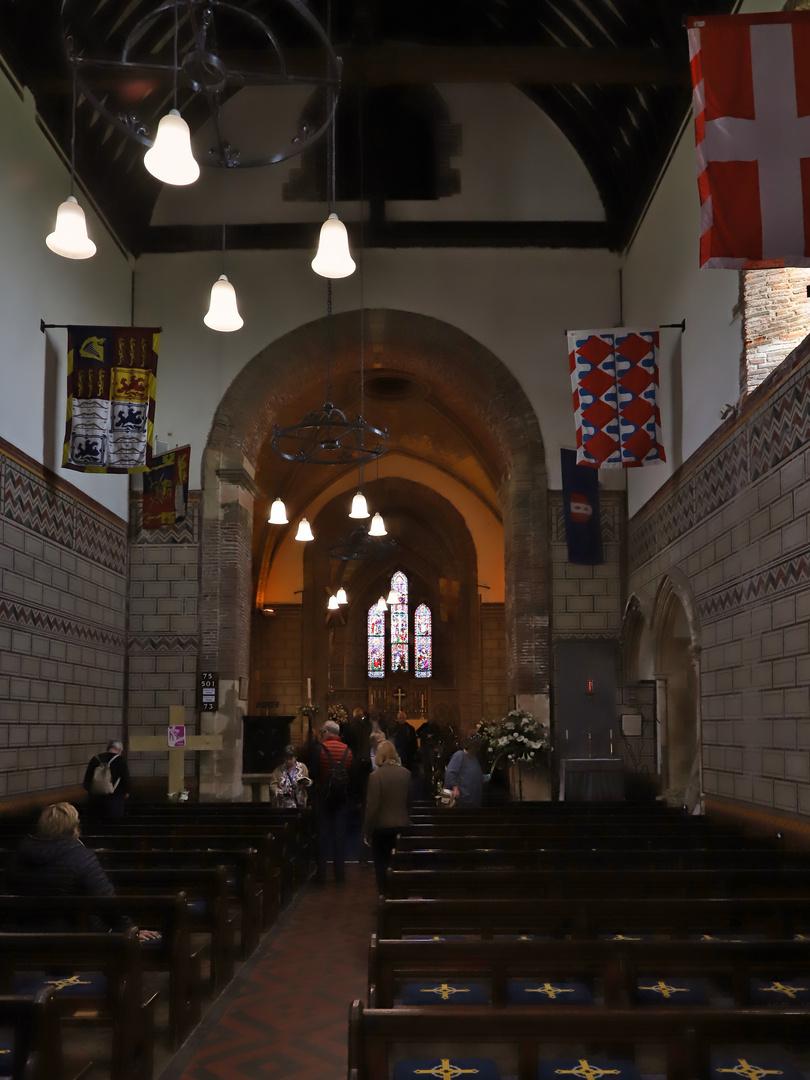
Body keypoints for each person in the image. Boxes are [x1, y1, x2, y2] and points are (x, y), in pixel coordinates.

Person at [4, 802, 159, 939]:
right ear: (73, 827)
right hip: (74, 937)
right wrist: (130, 930)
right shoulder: (81, 858)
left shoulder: (18, 856)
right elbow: (106, 898)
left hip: (22, 934)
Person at [363, 740, 412, 893]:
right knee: (399, 864)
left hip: (381, 828)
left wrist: (367, 831)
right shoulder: (406, 774)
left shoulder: (375, 776)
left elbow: (372, 807)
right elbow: (409, 802)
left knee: (381, 866)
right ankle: (399, 896)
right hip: (402, 826)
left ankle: (384, 897)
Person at [310, 720, 353, 884]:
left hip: (324, 797)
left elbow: (313, 773)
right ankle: (340, 875)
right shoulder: (348, 751)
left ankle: (321, 875)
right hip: (342, 798)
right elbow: (352, 776)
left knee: (323, 835)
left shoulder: (319, 750)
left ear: (327, 732)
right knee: (339, 836)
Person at [82, 739, 130, 818]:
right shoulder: (121, 760)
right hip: (114, 804)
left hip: (95, 805)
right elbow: (127, 782)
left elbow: (86, 784)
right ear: (118, 750)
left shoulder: (95, 759)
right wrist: (125, 792)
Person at [444, 734, 484, 807]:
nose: (477, 749)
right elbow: (450, 773)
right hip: (462, 797)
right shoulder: (459, 755)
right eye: (476, 747)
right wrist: (455, 788)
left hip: (473, 797)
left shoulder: (475, 757)